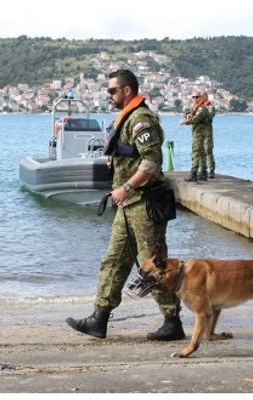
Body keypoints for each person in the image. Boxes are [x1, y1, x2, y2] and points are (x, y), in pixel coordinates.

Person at [66, 69, 184, 341]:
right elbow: (130, 155)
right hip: (127, 206)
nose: (109, 95)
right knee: (114, 260)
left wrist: (127, 187)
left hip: (144, 204)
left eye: (112, 90)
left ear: (127, 90)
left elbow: (152, 163)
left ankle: (172, 321)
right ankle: (99, 319)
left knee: (153, 265)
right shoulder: (126, 119)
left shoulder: (141, 119)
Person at [179, 89, 215, 182]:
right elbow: (190, 115)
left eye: (197, 97)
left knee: (197, 152)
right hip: (196, 133)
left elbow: (197, 118)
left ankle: (194, 174)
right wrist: (187, 115)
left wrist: (185, 121)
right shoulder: (195, 107)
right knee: (201, 153)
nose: (195, 99)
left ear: (201, 98)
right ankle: (203, 172)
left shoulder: (203, 108)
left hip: (201, 133)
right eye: (193, 97)